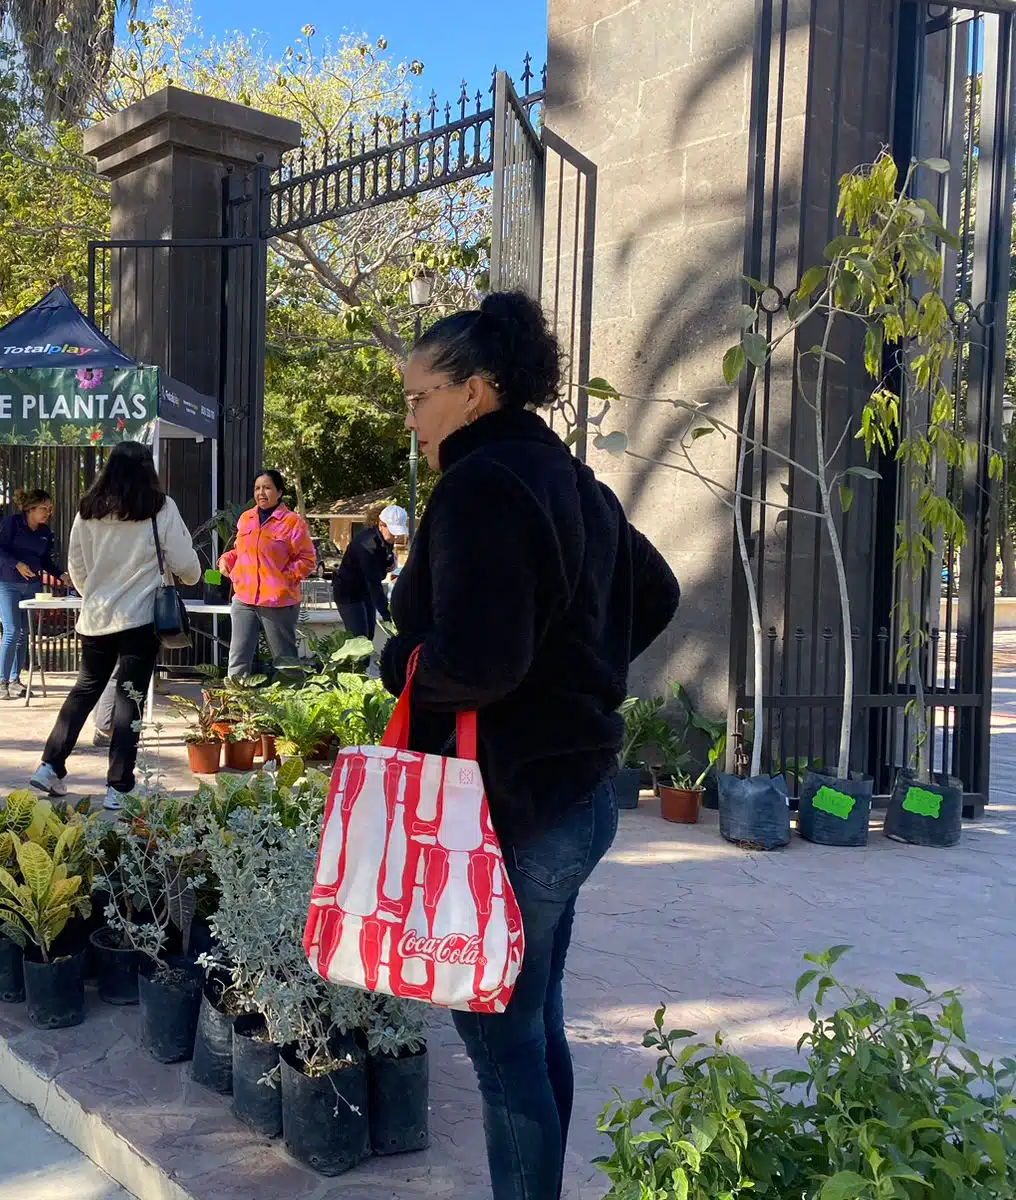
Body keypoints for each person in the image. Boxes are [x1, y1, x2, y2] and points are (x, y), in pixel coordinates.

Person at [378, 292, 680, 1200]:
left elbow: (476, 662)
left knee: (502, 1043)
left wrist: (402, 662)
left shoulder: (480, 485)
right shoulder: (577, 484)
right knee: (534, 1019)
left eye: (418, 396)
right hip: (573, 796)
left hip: (507, 810)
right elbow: (656, 593)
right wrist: (578, 675)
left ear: (476, 392)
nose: (412, 418)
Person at [29, 442, 199, 809]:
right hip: (140, 618)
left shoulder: (88, 510)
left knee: (84, 691)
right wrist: (188, 575)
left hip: (97, 617)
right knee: (130, 700)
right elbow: (186, 564)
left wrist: (96, 591)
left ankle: (49, 766)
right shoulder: (159, 508)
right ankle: (118, 787)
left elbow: (75, 564)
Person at [218, 469, 316, 679]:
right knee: (238, 657)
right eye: (257, 488)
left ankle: (292, 706)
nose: (261, 493)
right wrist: (226, 559)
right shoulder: (246, 518)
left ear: (279, 492)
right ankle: (237, 704)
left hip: (278, 602)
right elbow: (240, 550)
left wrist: (283, 579)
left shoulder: (292, 522)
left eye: (267, 488)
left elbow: (308, 560)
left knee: (285, 660)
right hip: (244, 598)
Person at [0, 489, 63, 700]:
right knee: (12, 630)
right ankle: (2, 683)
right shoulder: (11, 523)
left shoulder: (45, 533)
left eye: (49, 509)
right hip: (6, 584)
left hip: (31, 587)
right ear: (30, 509)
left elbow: (45, 561)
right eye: (43, 508)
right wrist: (17, 564)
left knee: (24, 633)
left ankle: (16, 680)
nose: (47, 512)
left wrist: (61, 575)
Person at [331, 504, 406, 638]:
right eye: (393, 532)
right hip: (348, 593)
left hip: (365, 592)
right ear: (381, 524)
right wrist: (387, 615)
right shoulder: (367, 544)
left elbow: (386, 562)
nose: (395, 537)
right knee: (360, 639)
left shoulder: (386, 538)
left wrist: (389, 563)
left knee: (369, 636)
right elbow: (374, 582)